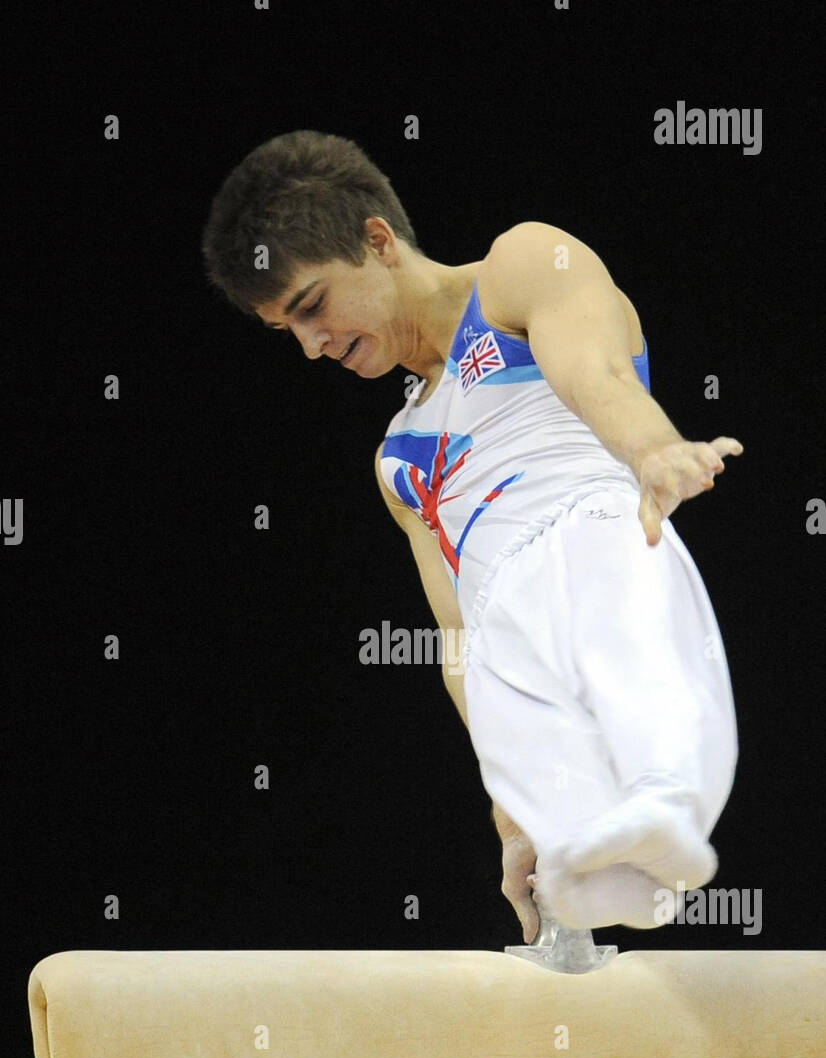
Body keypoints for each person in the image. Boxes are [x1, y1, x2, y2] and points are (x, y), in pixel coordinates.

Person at [202, 130, 741, 944]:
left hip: (592, 533)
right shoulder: (397, 462)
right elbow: (456, 637)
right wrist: (510, 818)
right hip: (504, 627)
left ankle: (661, 800)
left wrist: (652, 449)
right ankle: (585, 857)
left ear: (378, 241)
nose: (312, 346)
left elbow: (594, 371)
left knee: (603, 571)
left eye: (312, 306)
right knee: (503, 681)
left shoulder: (520, 268)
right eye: (288, 331)